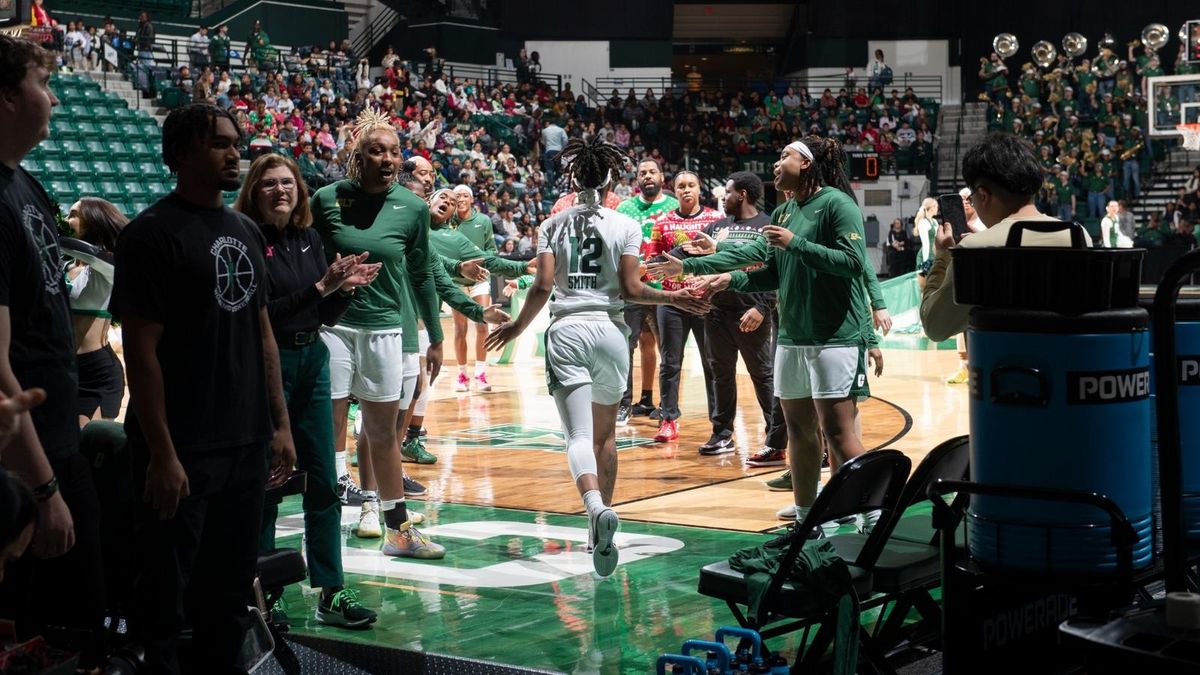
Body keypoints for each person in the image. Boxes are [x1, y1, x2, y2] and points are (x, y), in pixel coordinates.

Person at [110, 102, 297, 674]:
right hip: (182, 450)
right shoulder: (149, 234)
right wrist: (162, 455)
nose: (234, 151)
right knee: (162, 600)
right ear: (182, 154)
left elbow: (263, 335)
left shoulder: (244, 228)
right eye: (219, 143)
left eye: (236, 141)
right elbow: (141, 355)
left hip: (244, 444)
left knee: (228, 597)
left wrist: (280, 425)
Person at [485, 137, 710, 576]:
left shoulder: (554, 223)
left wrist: (516, 327)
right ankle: (601, 524)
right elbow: (631, 290)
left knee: (577, 437)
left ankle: (593, 508)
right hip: (610, 331)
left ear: (573, 179)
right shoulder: (624, 223)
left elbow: (544, 285)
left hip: (568, 329)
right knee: (606, 437)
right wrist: (678, 300)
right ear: (610, 180)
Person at [691, 137, 879, 535]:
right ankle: (807, 511)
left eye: (784, 156)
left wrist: (798, 243)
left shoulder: (837, 204)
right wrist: (702, 268)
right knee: (798, 432)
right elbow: (768, 268)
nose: (776, 164)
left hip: (835, 336)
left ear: (807, 164)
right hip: (792, 337)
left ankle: (872, 511)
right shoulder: (785, 209)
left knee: (839, 434)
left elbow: (852, 264)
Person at [234, 154, 380, 628]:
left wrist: (344, 291)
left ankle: (331, 591)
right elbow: (261, 316)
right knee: (269, 482)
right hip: (265, 365)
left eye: (288, 183)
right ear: (254, 192)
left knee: (323, 481)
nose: (281, 191)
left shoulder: (310, 239)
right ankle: (265, 591)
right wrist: (322, 286)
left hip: (312, 360)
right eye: (270, 184)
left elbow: (321, 317)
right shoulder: (246, 240)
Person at [0, 36, 108, 672]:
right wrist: (42, 490)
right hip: (20, 468)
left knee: (75, 627)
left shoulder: (26, 186)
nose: (55, 97)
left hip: (52, 444)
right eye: (44, 82)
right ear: (9, 95)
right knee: (41, 638)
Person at [310, 109, 445, 559]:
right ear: (357, 157)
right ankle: (326, 526)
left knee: (383, 432)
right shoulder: (326, 199)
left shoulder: (413, 208)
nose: (387, 159)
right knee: (327, 430)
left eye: (393, 152)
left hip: (386, 328)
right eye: (376, 151)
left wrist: (436, 334)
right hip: (332, 326)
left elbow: (423, 273)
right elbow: (305, 257)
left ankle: (398, 530)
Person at [656, 171, 786, 457]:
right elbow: (690, 252)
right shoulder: (716, 227)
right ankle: (722, 433)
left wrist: (762, 307)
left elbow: (775, 271)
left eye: (726, 192)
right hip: (716, 312)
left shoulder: (767, 224)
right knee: (721, 375)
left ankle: (775, 436)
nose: (722, 198)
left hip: (750, 311)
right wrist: (656, 262)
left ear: (742, 194)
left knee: (762, 375)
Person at [920, 133, 1094, 343]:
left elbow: (935, 326)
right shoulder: (1078, 236)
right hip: (1067, 366)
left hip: (1004, 368)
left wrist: (942, 256)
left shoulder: (973, 250)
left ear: (983, 195)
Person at [642, 170, 722, 442]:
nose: (686, 190)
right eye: (681, 187)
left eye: (691, 185)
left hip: (705, 301)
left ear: (700, 189)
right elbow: (651, 266)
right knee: (670, 363)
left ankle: (719, 421)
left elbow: (727, 259)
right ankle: (668, 419)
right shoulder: (662, 222)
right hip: (673, 302)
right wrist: (672, 266)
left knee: (713, 363)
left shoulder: (715, 219)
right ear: (673, 191)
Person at [615, 158, 678, 425]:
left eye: (652, 172)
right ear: (636, 179)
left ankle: (666, 405)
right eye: (642, 173)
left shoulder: (674, 206)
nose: (647, 176)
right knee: (624, 347)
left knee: (669, 349)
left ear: (662, 177)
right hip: (632, 288)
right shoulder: (624, 207)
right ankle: (623, 404)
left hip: (665, 288)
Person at [62, 198, 127, 425]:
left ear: (92, 221)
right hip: (63, 367)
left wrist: (46, 236)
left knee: (85, 449)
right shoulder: (65, 267)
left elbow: (86, 252)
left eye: (73, 214)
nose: (65, 219)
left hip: (96, 373)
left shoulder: (107, 265)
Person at [448, 184, 499, 392]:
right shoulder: (448, 222)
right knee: (460, 329)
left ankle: (480, 373)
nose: (460, 198)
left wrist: (481, 262)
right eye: (457, 195)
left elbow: (492, 250)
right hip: (456, 281)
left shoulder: (483, 221)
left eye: (464, 195)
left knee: (482, 325)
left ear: (471, 200)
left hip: (479, 279)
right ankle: (462, 374)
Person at [945, 187, 987, 386]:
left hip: (984, 279)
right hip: (964, 277)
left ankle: (980, 366)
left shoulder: (985, 222)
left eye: (967, 198)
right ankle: (964, 367)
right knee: (961, 325)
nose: (964, 202)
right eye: (960, 199)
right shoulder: (957, 224)